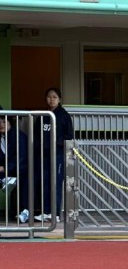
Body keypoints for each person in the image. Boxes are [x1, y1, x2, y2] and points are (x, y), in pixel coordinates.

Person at [32, 87, 74, 222]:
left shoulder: (64, 116)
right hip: (43, 155)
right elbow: (36, 135)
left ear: (59, 99)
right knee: (44, 182)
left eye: (54, 97)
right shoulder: (43, 115)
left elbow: (69, 135)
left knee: (55, 183)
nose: (51, 99)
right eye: (49, 97)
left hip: (58, 155)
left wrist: (56, 142)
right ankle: (45, 211)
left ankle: (55, 213)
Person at [0, 113, 30, 224]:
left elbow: (20, 158)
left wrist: (4, 168)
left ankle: (25, 211)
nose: (1, 125)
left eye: (4, 122)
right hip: (8, 169)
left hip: (22, 168)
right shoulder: (2, 136)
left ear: (10, 123)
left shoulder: (18, 136)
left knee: (25, 179)